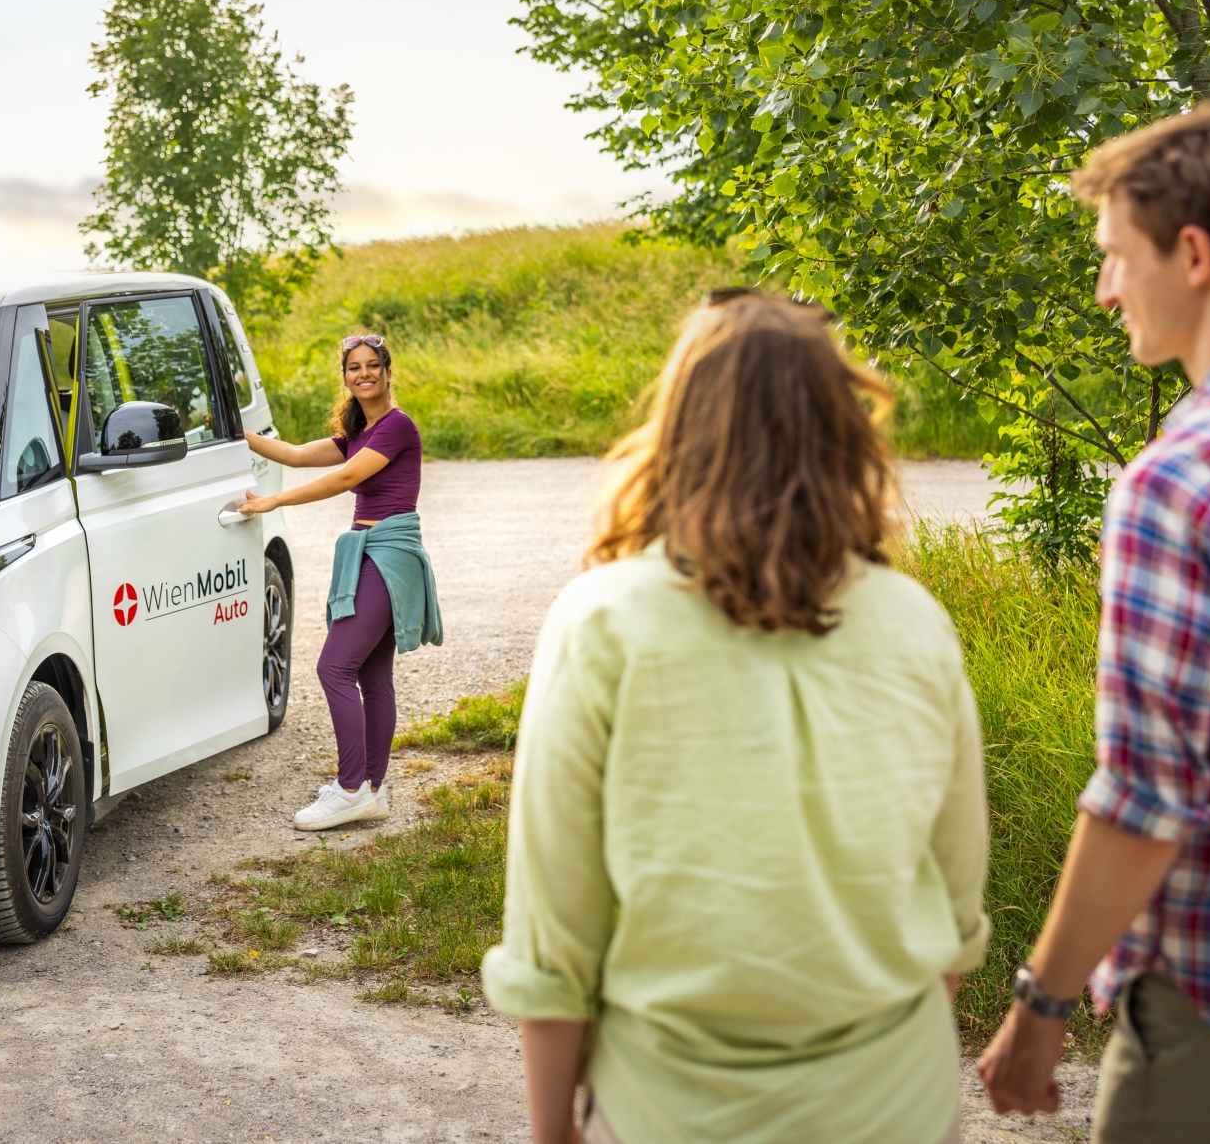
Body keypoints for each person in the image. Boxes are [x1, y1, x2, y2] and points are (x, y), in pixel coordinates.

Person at [482, 293, 989, 1144]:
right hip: (897, 1106)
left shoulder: (600, 622)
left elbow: (553, 923)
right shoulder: (916, 623)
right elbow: (954, 904)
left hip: (671, 1113)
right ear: (842, 428)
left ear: (683, 425)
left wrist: (552, 1131)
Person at [977, 102, 1210, 1140]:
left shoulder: (1182, 481)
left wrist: (1041, 1004)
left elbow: (1142, 800)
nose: (1102, 289)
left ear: (1192, 253)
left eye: (1113, 257)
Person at [238, 333, 442, 831]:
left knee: (334, 666)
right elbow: (291, 453)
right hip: (372, 553)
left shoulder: (396, 428)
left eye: (373, 365)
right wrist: (231, 431)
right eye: (355, 368)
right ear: (346, 377)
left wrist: (273, 503)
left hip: (387, 555)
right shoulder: (360, 432)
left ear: (388, 372)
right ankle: (371, 789)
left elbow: (344, 480)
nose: (364, 374)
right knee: (372, 676)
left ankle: (351, 787)